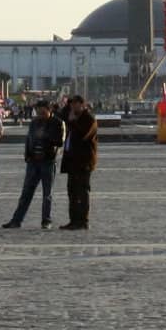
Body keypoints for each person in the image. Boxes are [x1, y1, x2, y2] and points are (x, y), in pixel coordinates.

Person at [2, 100, 64, 230]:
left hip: (47, 161)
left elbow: (60, 142)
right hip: (33, 161)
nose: (40, 115)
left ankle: (46, 220)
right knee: (26, 193)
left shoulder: (57, 123)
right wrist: (27, 155)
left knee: (47, 193)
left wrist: (46, 136)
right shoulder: (34, 123)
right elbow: (29, 139)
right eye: (38, 112)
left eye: (43, 112)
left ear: (49, 110)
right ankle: (16, 220)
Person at [59, 95, 98, 230]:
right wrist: (67, 108)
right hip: (71, 161)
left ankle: (83, 221)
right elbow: (60, 115)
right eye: (72, 105)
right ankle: (73, 220)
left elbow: (83, 135)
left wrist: (73, 121)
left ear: (83, 105)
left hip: (83, 162)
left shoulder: (89, 119)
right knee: (72, 192)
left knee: (82, 192)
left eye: (76, 104)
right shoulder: (71, 118)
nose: (73, 107)